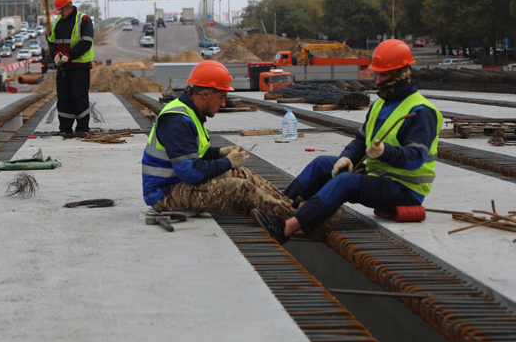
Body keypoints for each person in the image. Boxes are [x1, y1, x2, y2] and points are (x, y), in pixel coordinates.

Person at [251, 39, 443, 245]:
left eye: (384, 75)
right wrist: (346, 159)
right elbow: (360, 141)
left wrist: (385, 152)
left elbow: (415, 158)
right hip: (381, 178)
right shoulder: (380, 105)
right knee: (323, 163)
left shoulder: (421, 112)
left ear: (402, 75)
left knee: (346, 182)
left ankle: (286, 229)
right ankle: (278, 210)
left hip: (405, 190)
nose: (377, 81)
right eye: (377, 74)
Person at [141, 61, 319, 227]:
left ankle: (291, 205)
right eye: (221, 97)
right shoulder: (177, 120)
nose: (224, 103)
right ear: (204, 95)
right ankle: (303, 219)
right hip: (164, 194)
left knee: (240, 172)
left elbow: (192, 154)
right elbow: (189, 172)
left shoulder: (188, 113)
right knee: (241, 189)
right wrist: (227, 162)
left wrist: (220, 153)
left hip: (176, 183)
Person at [47, 0, 94, 135]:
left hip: (79, 67)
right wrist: (55, 55)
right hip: (64, 68)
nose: (60, 14)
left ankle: (82, 128)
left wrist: (69, 56)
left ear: (69, 7)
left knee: (79, 97)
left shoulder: (83, 20)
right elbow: (52, 42)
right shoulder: (59, 23)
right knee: (64, 98)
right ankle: (65, 129)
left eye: (61, 10)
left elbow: (86, 42)